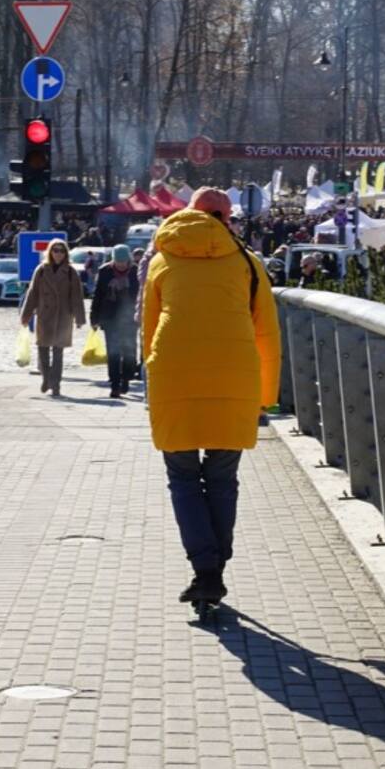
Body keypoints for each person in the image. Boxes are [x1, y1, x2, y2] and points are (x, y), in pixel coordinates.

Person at [142, 187, 280, 607]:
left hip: (174, 379)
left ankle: (205, 569)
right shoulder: (248, 263)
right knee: (222, 477)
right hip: (233, 381)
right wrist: (266, 394)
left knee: (182, 477)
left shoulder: (161, 260)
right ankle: (215, 568)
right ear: (226, 217)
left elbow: (148, 330)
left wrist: (151, 385)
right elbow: (267, 335)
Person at [20, 238, 85, 397]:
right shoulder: (41, 270)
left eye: (61, 251)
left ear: (66, 253)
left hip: (63, 316)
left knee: (58, 352)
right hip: (44, 315)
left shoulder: (70, 272)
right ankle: (46, 377)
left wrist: (79, 318)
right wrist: (26, 315)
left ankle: (56, 385)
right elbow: (32, 294)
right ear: (50, 252)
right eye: (55, 250)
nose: (58, 254)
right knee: (42, 349)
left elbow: (77, 296)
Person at [91, 244, 140, 398]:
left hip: (130, 318)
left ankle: (126, 379)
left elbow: (141, 295)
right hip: (110, 317)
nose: (120, 265)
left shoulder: (135, 271)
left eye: (123, 262)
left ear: (128, 260)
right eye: (118, 262)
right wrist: (94, 318)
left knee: (129, 352)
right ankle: (114, 384)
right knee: (113, 353)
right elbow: (98, 295)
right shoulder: (105, 271)